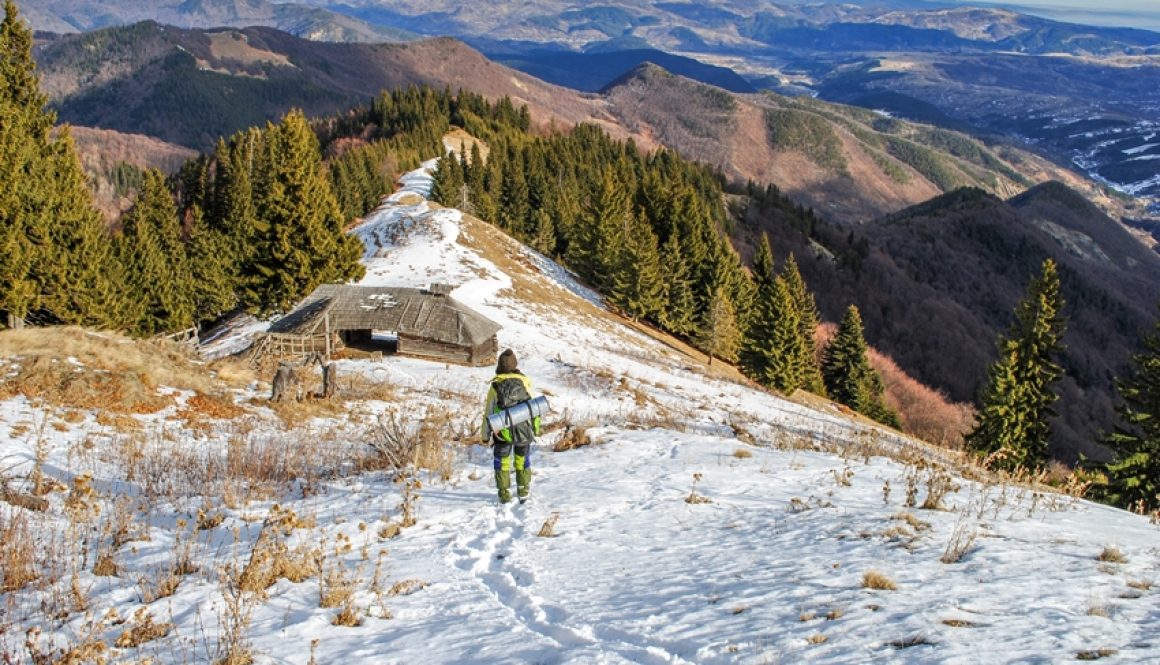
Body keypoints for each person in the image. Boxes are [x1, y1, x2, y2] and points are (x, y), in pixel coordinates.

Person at [481, 349, 541, 504]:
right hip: (523, 428)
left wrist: (485, 435)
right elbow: (532, 407)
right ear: (515, 365)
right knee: (522, 459)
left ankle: (504, 493)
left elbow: (488, 412)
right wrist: (535, 428)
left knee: (502, 461)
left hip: (501, 430)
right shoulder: (524, 382)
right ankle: (523, 490)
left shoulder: (495, 386)